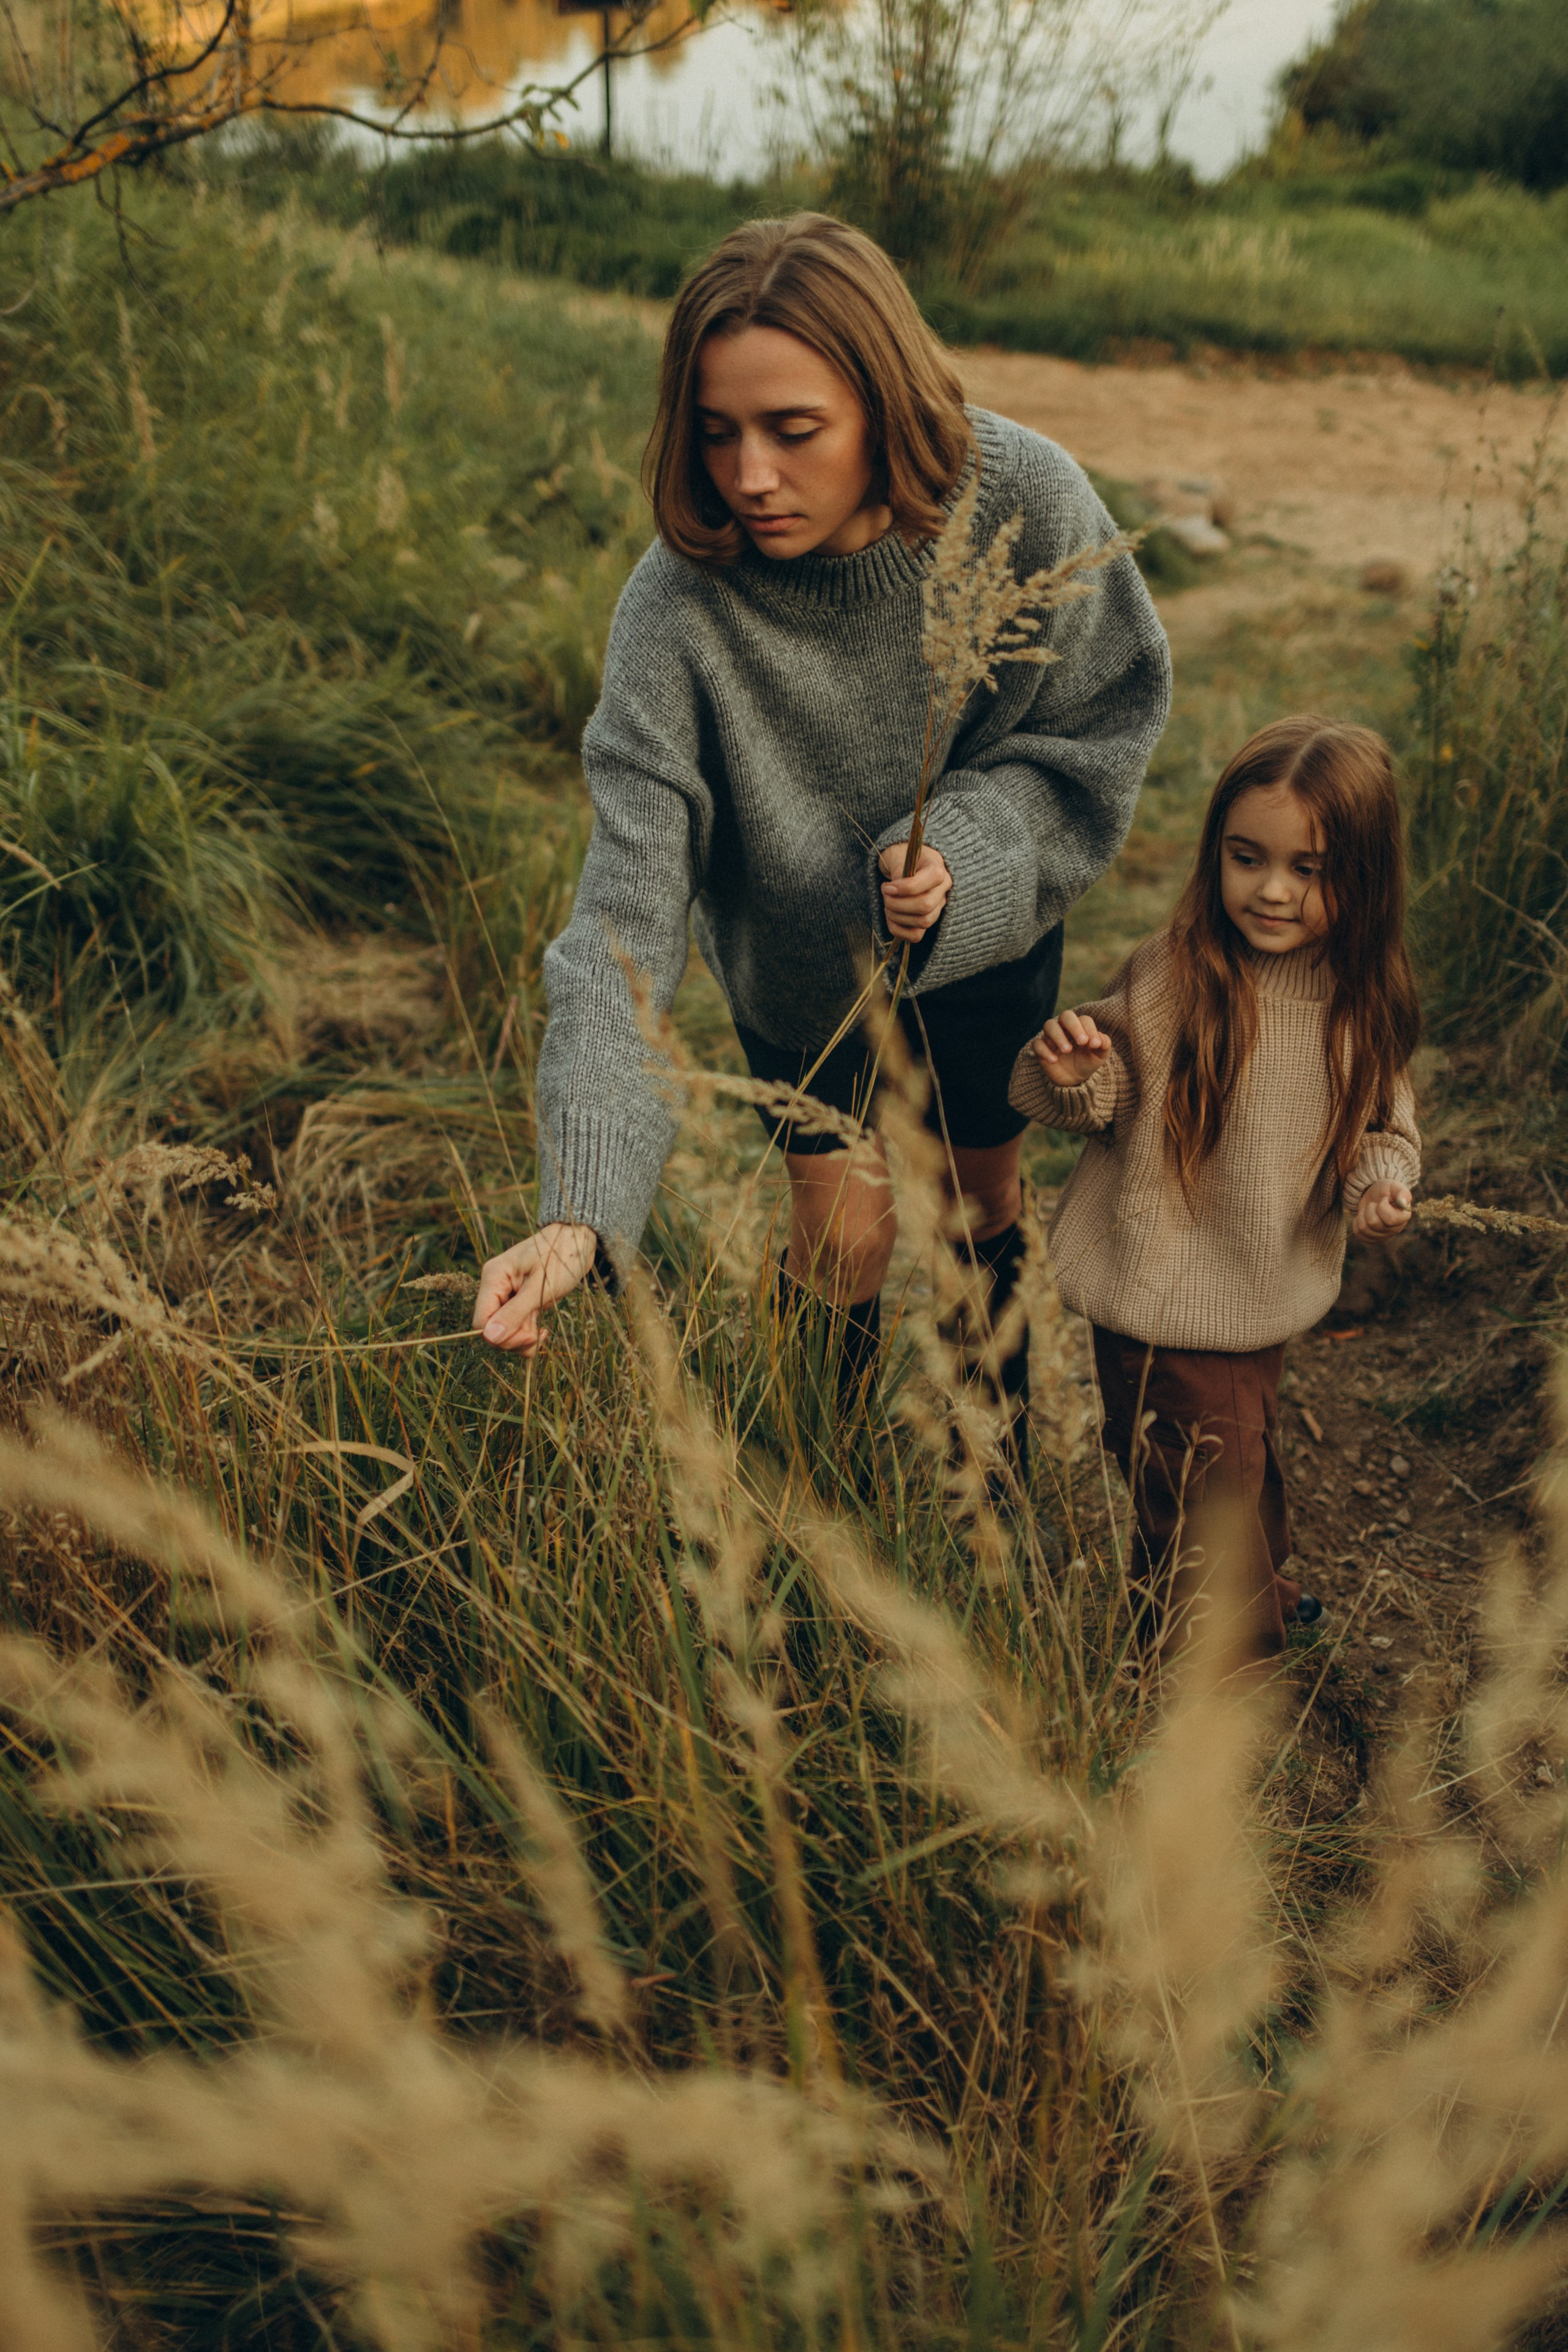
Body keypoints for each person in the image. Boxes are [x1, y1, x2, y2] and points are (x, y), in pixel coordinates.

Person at [473, 212, 1172, 1439]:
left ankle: (988, 1489)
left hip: (987, 935)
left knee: (976, 1197)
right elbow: (622, 918)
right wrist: (580, 1204)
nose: (748, 476)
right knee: (842, 1232)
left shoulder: (1024, 498)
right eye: (715, 432)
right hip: (803, 973)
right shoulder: (676, 610)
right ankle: (818, 1510)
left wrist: (962, 852)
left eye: (793, 432)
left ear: (882, 403)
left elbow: (1091, 728)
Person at [1009, 715, 1421, 1663]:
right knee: (1200, 1473)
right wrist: (1078, 1074)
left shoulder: (1359, 1000)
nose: (1271, 890)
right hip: (1160, 1283)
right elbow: (1108, 1097)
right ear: (1217, 854)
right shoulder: (1174, 976)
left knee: (1242, 1446)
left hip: (1263, 1285)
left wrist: (1381, 1185)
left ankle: (1250, 1594)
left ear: (1362, 875)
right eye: (1247, 858)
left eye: (1308, 869)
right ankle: (1203, 1641)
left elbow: (1383, 1125)